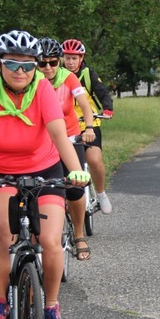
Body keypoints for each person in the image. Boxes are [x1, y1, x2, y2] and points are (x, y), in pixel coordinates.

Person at [0, 30, 90, 319]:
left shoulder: (43, 88)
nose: (21, 71)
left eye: (29, 65)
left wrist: (75, 171)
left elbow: (59, 133)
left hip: (45, 167)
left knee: (50, 239)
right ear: (0, 63)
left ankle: (52, 308)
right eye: (13, 64)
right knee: (3, 230)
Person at [39, 38, 95, 260]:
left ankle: (79, 235)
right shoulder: (32, 82)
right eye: (42, 64)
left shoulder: (69, 78)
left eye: (53, 62)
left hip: (70, 137)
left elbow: (84, 105)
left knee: (75, 187)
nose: (48, 68)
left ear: (59, 61)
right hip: (43, 142)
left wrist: (88, 127)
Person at [61, 39, 114, 215]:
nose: (70, 62)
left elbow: (102, 91)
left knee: (94, 160)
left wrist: (107, 108)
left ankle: (101, 193)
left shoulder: (87, 73)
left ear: (81, 58)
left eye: (74, 58)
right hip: (65, 125)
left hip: (88, 122)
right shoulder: (57, 75)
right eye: (67, 58)